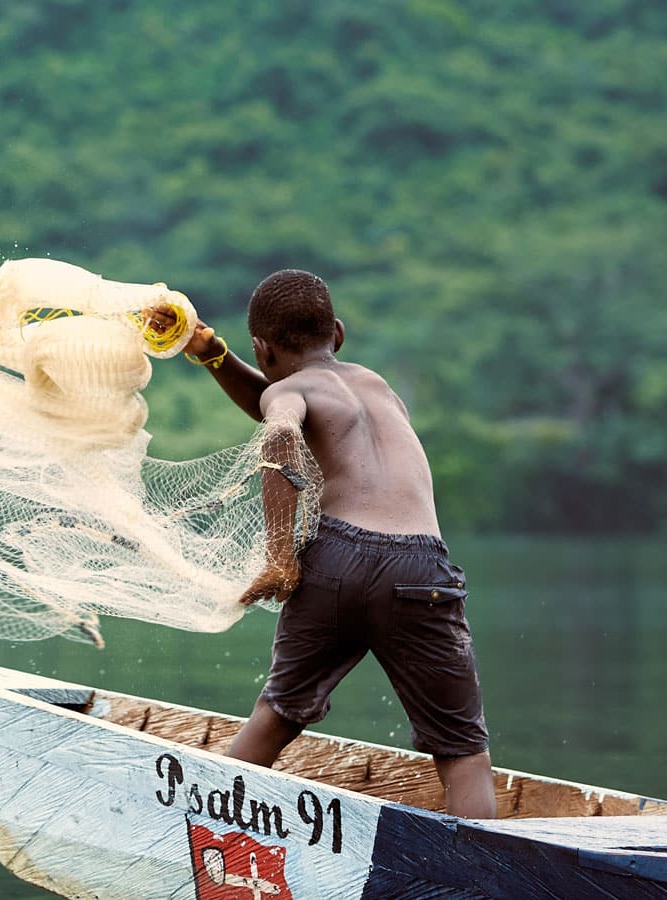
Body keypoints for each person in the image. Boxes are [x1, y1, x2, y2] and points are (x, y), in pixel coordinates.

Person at [160, 269, 498, 819]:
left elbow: (279, 427)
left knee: (277, 715)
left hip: (336, 558)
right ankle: (487, 875)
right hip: (419, 567)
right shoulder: (376, 385)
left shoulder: (287, 393)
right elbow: (283, 403)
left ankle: (198, 831)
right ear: (337, 334)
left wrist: (278, 556)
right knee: (462, 753)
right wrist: (212, 353)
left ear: (262, 349)